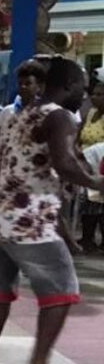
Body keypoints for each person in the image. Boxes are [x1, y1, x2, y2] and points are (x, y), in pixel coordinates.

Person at [0, 58, 103, 364]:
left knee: (1, 288)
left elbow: (5, 164)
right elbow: (64, 163)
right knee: (62, 289)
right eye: (83, 88)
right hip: (28, 222)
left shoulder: (17, 115)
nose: (85, 95)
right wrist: (96, 182)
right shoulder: (59, 115)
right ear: (69, 85)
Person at [76, 81, 104, 252]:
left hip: (102, 162)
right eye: (94, 93)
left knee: (101, 202)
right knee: (87, 203)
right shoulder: (90, 113)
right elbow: (79, 136)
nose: (95, 97)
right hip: (86, 162)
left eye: (100, 94)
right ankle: (87, 238)